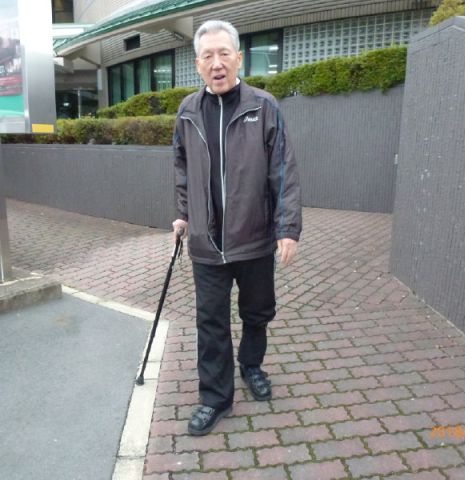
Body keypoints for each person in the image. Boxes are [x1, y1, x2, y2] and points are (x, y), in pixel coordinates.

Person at [172, 19, 302, 436]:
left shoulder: (264, 106)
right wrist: (183, 213)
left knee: (257, 311)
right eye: (207, 56)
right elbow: (181, 168)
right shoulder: (188, 111)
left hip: (255, 237)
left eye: (224, 53)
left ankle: (251, 364)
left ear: (239, 58)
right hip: (205, 242)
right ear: (198, 64)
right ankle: (215, 397)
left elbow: (283, 170)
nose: (217, 63)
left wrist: (287, 228)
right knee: (210, 322)